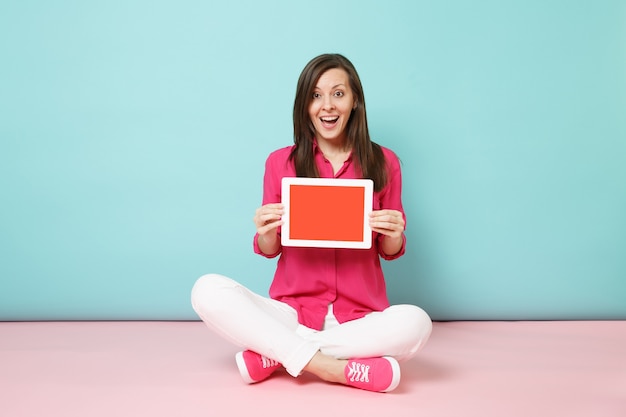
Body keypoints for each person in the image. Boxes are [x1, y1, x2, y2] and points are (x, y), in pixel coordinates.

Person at [191, 53, 432, 393]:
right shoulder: (280, 162)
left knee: (416, 324)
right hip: (292, 312)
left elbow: (391, 252)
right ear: (304, 105)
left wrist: (394, 233)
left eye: (338, 93)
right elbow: (268, 249)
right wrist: (265, 231)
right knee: (207, 289)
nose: (327, 106)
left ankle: (278, 353)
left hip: (359, 318)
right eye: (316, 95)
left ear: (355, 102)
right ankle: (333, 369)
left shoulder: (384, 161)